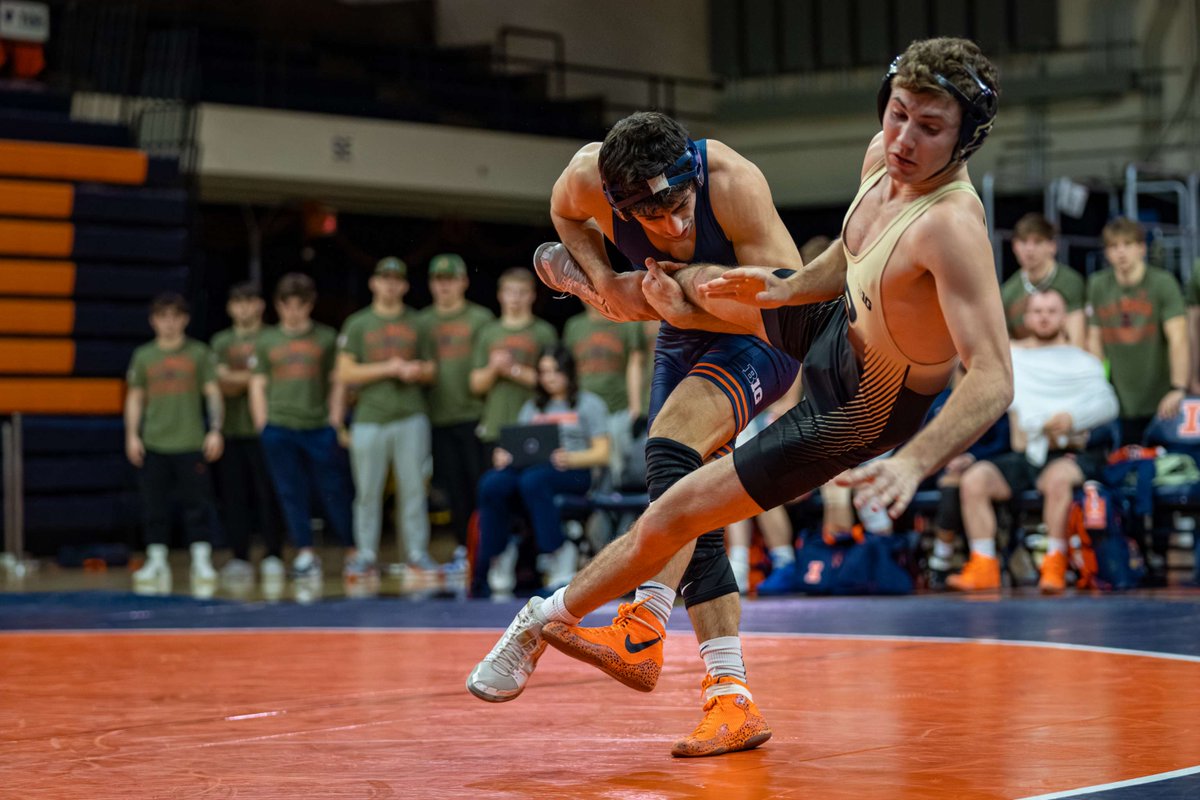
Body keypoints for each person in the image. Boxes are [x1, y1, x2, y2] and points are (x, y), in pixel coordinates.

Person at [469, 37, 1013, 756]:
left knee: (675, 505)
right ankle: (611, 290)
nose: (905, 138)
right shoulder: (881, 161)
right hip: (830, 322)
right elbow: (846, 254)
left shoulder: (951, 226)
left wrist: (913, 464)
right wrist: (786, 291)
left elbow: (995, 377)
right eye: (899, 114)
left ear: (966, 138)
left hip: (857, 407)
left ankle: (551, 622)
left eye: (929, 127)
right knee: (683, 286)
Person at [522, 109, 804, 756]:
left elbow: (792, 312)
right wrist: (600, 280)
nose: (675, 225)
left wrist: (678, 296)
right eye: (653, 217)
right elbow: (564, 217)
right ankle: (729, 698)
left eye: (682, 205)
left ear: (692, 175)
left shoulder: (732, 181)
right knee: (674, 482)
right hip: (682, 328)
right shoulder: (587, 177)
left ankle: (645, 619)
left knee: (674, 455)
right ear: (617, 197)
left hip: (761, 333)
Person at [945, 290, 1118, 592]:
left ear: (1064, 318)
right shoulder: (1012, 358)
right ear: (1026, 318)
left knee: (1058, 480)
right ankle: (984, 564)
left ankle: (1055, 562)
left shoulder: (1083, 361)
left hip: (1068, 455)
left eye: (1052, 310)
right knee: (975, 479)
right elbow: (974, 381)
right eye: (1037, 310)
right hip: (1025, 455)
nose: (1044, 316)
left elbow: (1107, 403)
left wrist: (1072, 417)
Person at [477, 345, 612, 594]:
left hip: (573, 471)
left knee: (533, 481)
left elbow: (602, 452)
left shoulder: (589, 403)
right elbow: (521, 445)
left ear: (569, 373)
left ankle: (556, 551)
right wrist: (506, 456)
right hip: (532, 470)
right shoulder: (533, 407)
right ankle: (499, 553)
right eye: (543, 371)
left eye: (555, 371)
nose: (549, 377)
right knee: (492, 483)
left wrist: (571, 457)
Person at [249, 273, 354, 580]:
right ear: (278, 305)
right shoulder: (267, 340)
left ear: (310, 305)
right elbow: (258, 383)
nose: (293, 311)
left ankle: (352, 549)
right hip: (279, 426)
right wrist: (263, 424)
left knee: (333, 488)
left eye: (300, 304)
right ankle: (305, 552)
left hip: (318, 425)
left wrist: (335, 420)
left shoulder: (325, 337)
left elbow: (337, 382)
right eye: (287, 304)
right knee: (290, 491)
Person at [336, 257, 437, 577]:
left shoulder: (418, 322)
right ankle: (365, 553)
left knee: (413, 489)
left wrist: (415, 371)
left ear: (405, 286)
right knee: (367, 491)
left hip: (411, 415)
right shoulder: (358, 323)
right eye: (384, 279)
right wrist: (390, 368)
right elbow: (344, 371)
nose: (390, 285)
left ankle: (417, 553)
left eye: (396, 280)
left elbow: (432, 370)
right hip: (368, 418)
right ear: (374, 283)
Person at [125, 293, 223, 593]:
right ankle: (156, 559)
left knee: (198, 504)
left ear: (185, 319)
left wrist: (215, 429)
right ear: (153, 321)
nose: (169, 323)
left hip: (190, 440)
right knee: (153, 505)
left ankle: (201, 559)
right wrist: (131, 434)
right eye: (162, 317)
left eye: (175, 316)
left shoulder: (199, 353)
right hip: (155, 442)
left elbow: (213, 392)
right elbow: (135, 397)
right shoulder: (144, 356)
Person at [419, 253, 495, 574]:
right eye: (439, 279)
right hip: (437, 416)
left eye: (451, 279)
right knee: (451, 489)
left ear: (464, 282)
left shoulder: (481, 319)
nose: (445, 286)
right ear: (431, 284)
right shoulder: (421, 322)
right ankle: (464, 549)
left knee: (482, 486)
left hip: (475, 414)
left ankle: (489, 548)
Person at [1086, 217, 1188, 445]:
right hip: (1117, 398)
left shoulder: (1163, 282)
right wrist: (1096, 387)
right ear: (1106, 252)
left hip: (1160, 397)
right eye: (1114, 246)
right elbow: (1094, 339)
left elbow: (1178, 337)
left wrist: (1178, 387)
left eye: (1128, 245)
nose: (1121, 253)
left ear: (1142, 248)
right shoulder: (1098, 285)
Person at [210, 282, 286, 587]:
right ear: (230, 308)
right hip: (232, 430)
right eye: (238, 302)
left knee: (270, 494)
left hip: (268, 428)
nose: (244, 308)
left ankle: (274, 554)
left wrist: (238, 378)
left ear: (260, 306)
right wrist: (255, 378)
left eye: (250, 302)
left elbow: (274, 381)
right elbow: (220, 383)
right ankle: (240, 556)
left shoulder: (272, 338)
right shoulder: (221, 342)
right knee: (234, 497)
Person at [563, 305, 646, 484]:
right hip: (582, 409)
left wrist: (635, 406)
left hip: (617, 406)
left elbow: (635, 363)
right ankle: (592, 508)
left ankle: (617, 507)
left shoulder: (626, 322)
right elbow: (567, 367)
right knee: (587, 464)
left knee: (618, 465)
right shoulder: (574, 326)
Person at [1001, 213, 1086, 345]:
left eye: (1037, 241)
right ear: (1014, 246)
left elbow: (1077, 342)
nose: (1029, 249)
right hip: (1024, 364)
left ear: (1052, 246)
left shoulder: (1071, 282)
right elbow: (1005, 346)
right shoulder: (1008, 291)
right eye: (1023, 242)